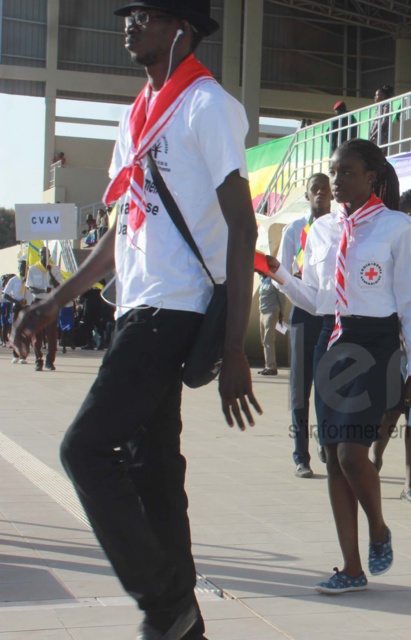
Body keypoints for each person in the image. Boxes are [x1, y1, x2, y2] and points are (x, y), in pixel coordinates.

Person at [14, 2, 260, 637]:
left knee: (85, 450)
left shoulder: (208, 106)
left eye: (145, 14)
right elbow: (118, 233)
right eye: (128, 13)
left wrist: (235, 348)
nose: (129, 23)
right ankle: (184, 623)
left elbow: (242, 226)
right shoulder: (137, 112)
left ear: (182, 28)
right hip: (136, 307)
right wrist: (54, 301)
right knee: (154, 471)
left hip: (174, 310)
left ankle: (163, 599)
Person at [266, 138, 411, 594]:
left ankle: (379, 528)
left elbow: (409, 302)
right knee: (334, 460)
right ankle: (352, 569)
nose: (336, 181)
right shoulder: (321, 230)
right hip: (329, 343)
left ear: (372, 178)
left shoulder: (398, 228)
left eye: (347, 172)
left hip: (374, 346)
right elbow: (318, 299)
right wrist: (278, 273)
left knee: (351, 452)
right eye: (333, 173)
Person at [279, 173, 333, 478]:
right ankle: (301, 454)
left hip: (328, 313)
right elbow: (281, 273)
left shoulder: (339, 228)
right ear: (308, 196)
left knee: (328, 385)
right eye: (316, 190)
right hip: (302, 313)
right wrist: (296, 284)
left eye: (326, 190)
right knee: (301, 389)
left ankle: (326, 443)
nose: (321, 195)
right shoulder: (295, 230)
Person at [26, 247, 63, 371]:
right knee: (37, 334)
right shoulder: (33, 269)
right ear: (39, 255)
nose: (45, 256)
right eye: (42, 254)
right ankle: (38, 360)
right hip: (38, 303)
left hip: (51, 303)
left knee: (52, 334)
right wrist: (42, 290)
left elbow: (58, 285)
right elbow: (30, 288)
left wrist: (50, 272)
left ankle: (50, 361)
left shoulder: (55, 268)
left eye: (47, 254)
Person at [3, 260, 29, 364]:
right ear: (18, 268)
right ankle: (15, 354)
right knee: (16, 331)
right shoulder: (13, 280)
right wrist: (16, 301)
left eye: (24, 267)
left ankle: (24, 356)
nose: (22, 269)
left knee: (25, 333)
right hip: (17, 308)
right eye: (21, 267)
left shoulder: (29, 280)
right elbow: (5, 294)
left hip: (27, 307)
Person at [257, 275, 281, 376]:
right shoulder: (262, 281)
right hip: (262, 312)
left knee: (268, 340)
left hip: (271, 312)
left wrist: (281, 313)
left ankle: (271, 367)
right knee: (264, 340)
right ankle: (268, 365)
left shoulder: (273, 281)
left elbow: (281, 298)